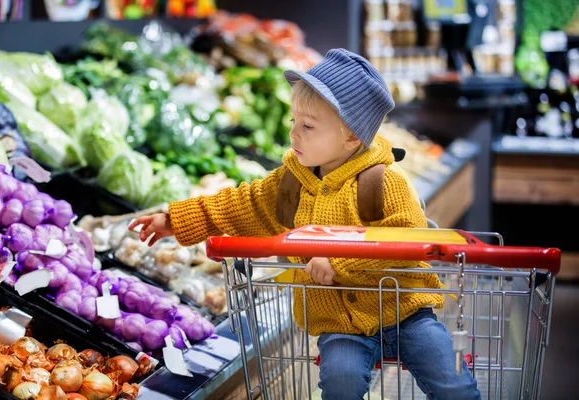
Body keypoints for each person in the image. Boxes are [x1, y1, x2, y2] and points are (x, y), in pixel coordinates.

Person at [128, 48, 481, 400]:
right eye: (293, 122)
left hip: (406, 310)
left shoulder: (385, 181)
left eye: (308, 126)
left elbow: (406, 238)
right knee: (340, 383)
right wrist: (175, 219)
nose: (294, 134)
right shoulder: (291, 183)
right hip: (341, 324)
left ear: (352, 137)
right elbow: (240, 204)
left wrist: (339, 261)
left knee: (451, 379)